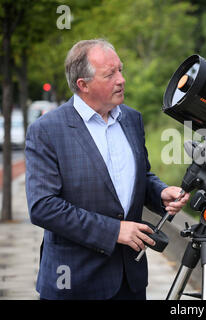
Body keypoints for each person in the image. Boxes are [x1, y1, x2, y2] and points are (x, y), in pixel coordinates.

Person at [25, 39, 190, 300]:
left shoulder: (132, 119)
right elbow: (43, 206)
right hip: (74, 282)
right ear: (83, 85)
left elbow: (141, 177)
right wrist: (114, 231)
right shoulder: (46, 130)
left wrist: (160, 193)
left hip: (130, 281)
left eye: (120, 70)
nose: (121, 79)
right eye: (110, 74)